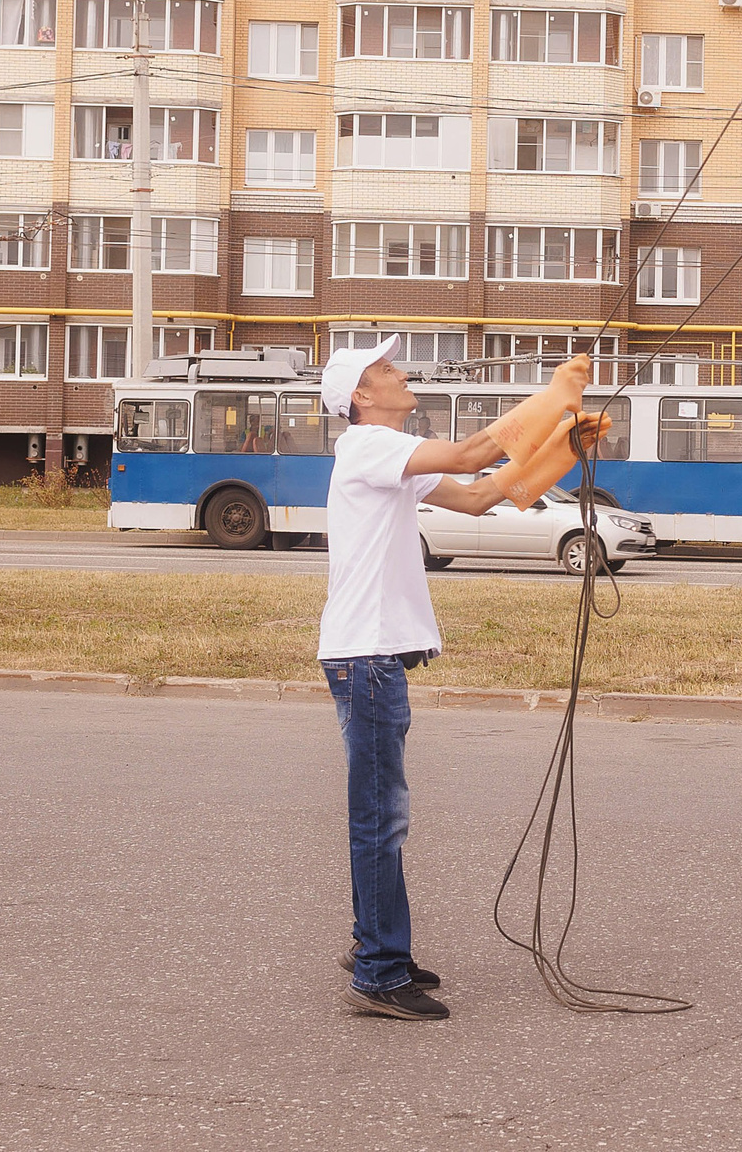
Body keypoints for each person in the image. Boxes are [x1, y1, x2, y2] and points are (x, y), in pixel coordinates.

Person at [317, 336, 517, 1022]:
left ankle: (376, 945)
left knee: (384, 813)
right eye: (384, 368)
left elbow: (481, 494)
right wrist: (552, 405)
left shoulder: (391, 456)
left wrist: (565, 445)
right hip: (366, 657)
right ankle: (377, 970)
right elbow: (468, 455)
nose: (401, 372)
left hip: (372, 656)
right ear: (361, 398)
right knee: (380, 816)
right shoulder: (369, 446)